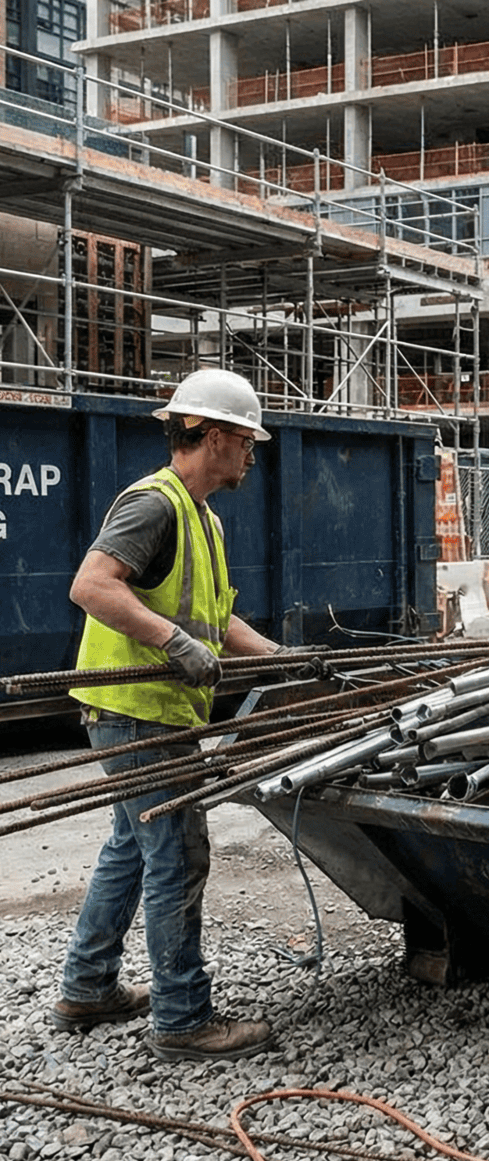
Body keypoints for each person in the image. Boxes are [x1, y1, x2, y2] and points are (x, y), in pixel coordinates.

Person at [49, 368, 291, 1062]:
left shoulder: (201, 516)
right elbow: (92, 586)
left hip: (142, 711)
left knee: (131, 849)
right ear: (213, 437)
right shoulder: (155, 505)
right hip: (142, 714)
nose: (251, 454)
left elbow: (212, 620)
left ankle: (88, 986)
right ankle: (184, 1019)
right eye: (247, 441)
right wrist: (172, 643)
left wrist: (281, 658)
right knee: (177, 857)